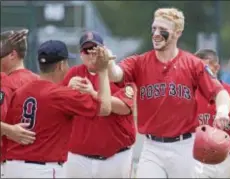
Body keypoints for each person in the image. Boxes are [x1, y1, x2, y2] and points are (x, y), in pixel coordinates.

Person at [92, 8, 230, 178]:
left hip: (184, 147)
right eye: (154, 28)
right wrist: (107, 63)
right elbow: (116, 74)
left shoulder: (192, 64)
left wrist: (222, 111)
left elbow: (220, 92)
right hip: (152, 147)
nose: (156, 34)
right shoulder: (140, 62)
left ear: (177, 33)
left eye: (162, 30)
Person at [3, 40, 112, 178]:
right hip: (43, 170)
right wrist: (102, 71)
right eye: (66, 63)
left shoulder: (20, 92)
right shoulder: (62, 95)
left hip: (13, 168)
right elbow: (105, 108)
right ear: (61, 65)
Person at [62, 30, 136, 178]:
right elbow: (60, 107)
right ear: (81, 54)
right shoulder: (74, 74)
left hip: (116, 156)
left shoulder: (118, 73)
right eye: (87, 50)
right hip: (79, 158)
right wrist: (66, 90)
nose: (91, 54)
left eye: (95, 49)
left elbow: (124, 107)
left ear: (104, 50)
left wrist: (92, 93)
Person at [194, 49, 230, 178]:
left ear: (216, 68)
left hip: (229, 157)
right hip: (201, 158)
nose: (200, 73)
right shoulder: (191, 95)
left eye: (204, 68)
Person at [0, 29, 39, 177]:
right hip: (39, 163)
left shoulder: (6, 82)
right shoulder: (39, 80)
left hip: (8, 164)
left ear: (12, 55)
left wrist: (8, 130)